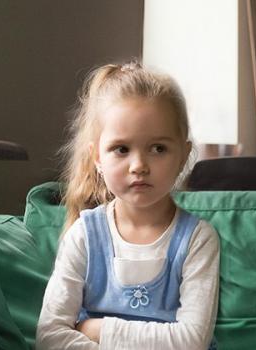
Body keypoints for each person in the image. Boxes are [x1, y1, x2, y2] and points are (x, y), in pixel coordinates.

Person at [36, 62, 219, 350]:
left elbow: (191, 342)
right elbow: (50, 336)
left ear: (184, 155)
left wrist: (99, 329)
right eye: (121, 149)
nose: (139, 166)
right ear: (97, 156)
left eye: (158, 148)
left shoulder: (198, 240)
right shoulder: (84, 235)